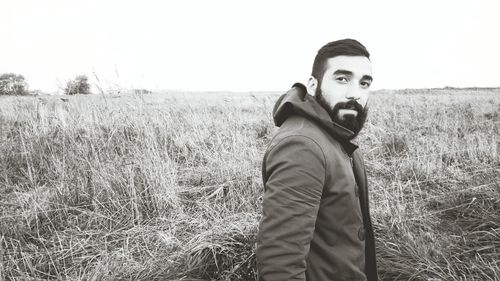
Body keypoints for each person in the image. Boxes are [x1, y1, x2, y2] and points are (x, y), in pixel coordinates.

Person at [256, 39, 378, 281]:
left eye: (364, 83)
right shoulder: (303, 146)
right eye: (342, 79)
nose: (355, 93)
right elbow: (280, 265)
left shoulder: (334, 135)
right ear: (313, 84)